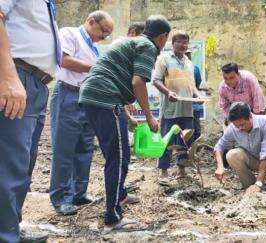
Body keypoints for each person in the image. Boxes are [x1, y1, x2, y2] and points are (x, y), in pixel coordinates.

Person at [78, 15, 170, 231]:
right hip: (104, 98)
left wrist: (127, 116)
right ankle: (113, 216)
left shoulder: (132, 41)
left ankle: (120, 195)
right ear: (163, 36)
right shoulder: (148, 46)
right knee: (118, 158)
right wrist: (148, 116)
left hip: (96, 97)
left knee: (118, 154)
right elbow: (137, 82)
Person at [0, 0, 61, 242]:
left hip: (36, 83)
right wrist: (8, 77)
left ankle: (10, 228)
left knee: (24, 164)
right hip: (17, 77)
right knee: (9, 165)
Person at [49, 11, 114, 216]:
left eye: (107, 34)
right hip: (67, 93)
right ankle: (61, 197)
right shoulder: (69, 34)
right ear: (91, 21)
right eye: (103, 31)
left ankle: (79, 193)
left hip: (88, 99)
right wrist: (98, 68)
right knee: (64, 148)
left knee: (84, 148)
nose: (104, 37)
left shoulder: (95, 48)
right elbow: (64, 60)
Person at [153, 31, 200, 185]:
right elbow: (156, 81)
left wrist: (198, 96)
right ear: (173, 43)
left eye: (186, 43)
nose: (183, 45)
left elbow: (191, 85)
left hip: (187, 110)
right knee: (166, 140)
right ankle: (164, 171)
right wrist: (168, 92)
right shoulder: (163, 59)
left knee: (185, 139)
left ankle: (181, 169)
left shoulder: (189, 62)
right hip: (170, 109)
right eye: (180, 42)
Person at [214, 102, 266, 193]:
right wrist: (220, 167)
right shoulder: (233, 128)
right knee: (231, 155)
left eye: (242, 125)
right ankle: (249, 187)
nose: (240, 129)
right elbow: (219, 147)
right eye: (237, 126)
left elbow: (265, 155)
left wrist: (259, 183)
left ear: (250, 117)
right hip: (254, 159)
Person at [186, 49, 204, 141]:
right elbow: (198, 84)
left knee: (190, 131)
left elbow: (197, 84)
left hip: (191, 105)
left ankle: (191, 152)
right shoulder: (195, 68)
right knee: (194, 130)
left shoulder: (195, 68)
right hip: (191, 105)